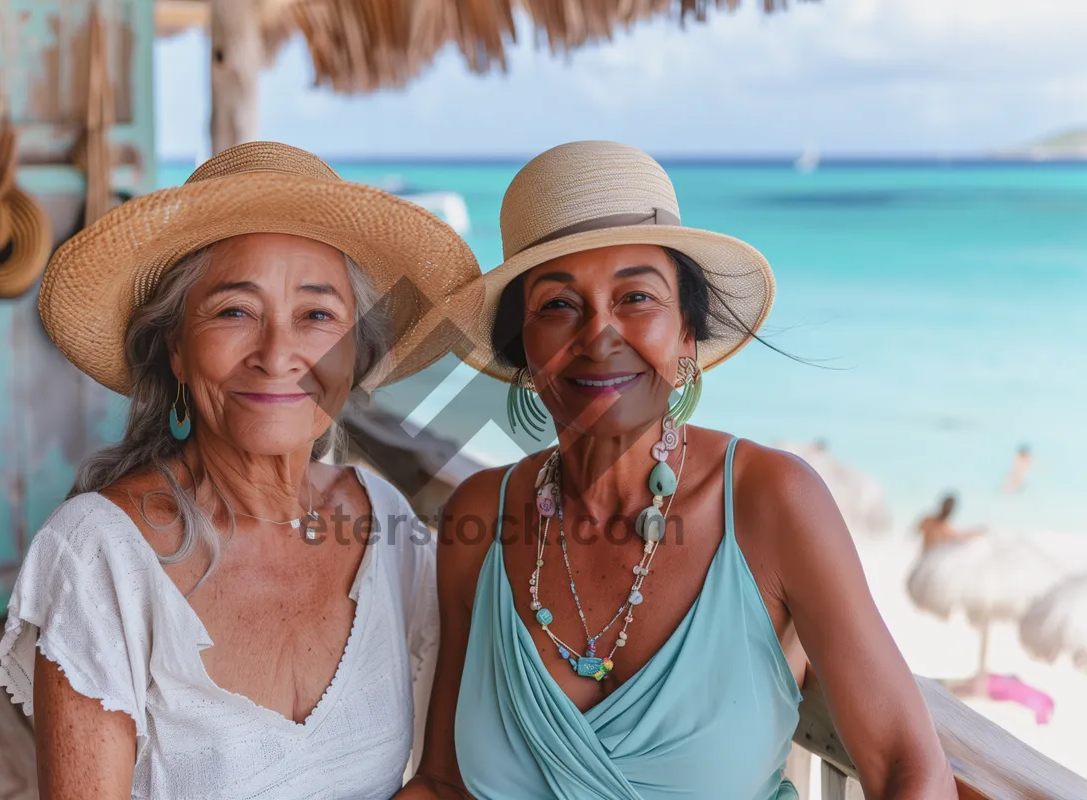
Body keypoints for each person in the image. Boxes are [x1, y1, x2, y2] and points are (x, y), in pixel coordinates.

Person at [400, 141, 955, 799]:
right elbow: (441, 783)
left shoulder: (770, 501)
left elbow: (905, 768)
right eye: (557, 305)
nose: (599, 335)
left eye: (635, 297)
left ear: (687, 335)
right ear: (525, 350)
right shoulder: (477, 515)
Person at [0, 142, 481, 799]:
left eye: (316, 316)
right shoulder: (98, 557)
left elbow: (438, 778)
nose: (277, 353)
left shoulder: (382, 518)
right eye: (234, 311)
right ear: (174, 348)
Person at [917, 494, 982, 551]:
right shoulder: (930, 521)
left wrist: (976, 533)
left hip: (929, 558)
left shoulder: (943, 527)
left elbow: (961, 535)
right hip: (927, 558)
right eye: (947, 507)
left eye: (948, 508)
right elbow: (913, 536)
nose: (947, 510)